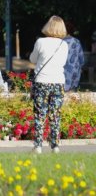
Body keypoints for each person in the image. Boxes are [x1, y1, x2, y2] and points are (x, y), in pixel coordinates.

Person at [29, 15, 68, 154]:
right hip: (58, 82)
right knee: (55, 114)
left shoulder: (40, 42)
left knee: (40, 114)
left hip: (42, 82)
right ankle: (55, 146)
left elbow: (32, 59)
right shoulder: (64, 45)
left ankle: (38, 146)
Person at [63, 22, 85, 92]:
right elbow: (81, 58)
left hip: (62, 69)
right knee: (72, 92)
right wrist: (81, 66)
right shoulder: (76, 41)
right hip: (74, 70)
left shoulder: (59, 41)